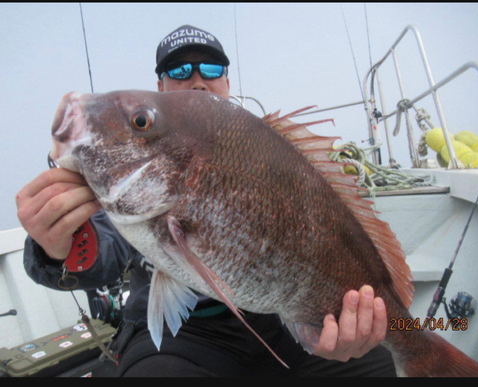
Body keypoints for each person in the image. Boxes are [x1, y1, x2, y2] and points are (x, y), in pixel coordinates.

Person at [16, 25, 396, 377]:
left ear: (227, 81)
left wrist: (341, 328)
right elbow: (103, 250)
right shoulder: (128, 177)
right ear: (161, 86)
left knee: (378, 362)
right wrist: (58, 247)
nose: (196, 81)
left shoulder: (272, 152)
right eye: (178, 71)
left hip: (276, 323)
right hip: (184, 336)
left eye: (210, 68)